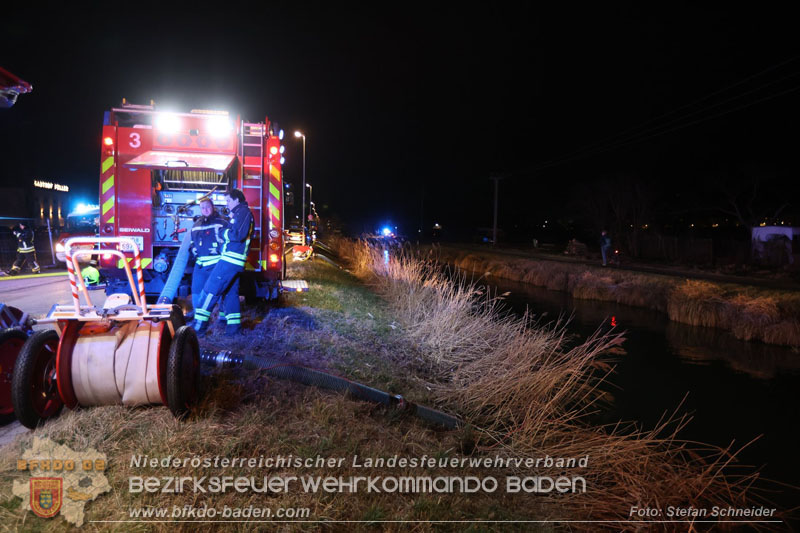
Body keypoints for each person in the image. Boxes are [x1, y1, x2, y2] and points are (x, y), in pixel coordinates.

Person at [191, 189, 253, 337]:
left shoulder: (243, 212)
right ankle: (233, 330)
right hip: (232, 259)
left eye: (228, 200)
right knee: (231, 293)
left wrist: (223, 232)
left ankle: (199, 328)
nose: (227, 204)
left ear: (237, 199)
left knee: (210, 291)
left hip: (231, 259)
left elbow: (236, 234)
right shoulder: (238, 213)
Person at [190, 197, 228, 309]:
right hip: (201, 265)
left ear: (213, 207)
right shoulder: (196, 224)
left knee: (220, 291)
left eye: (208, 207)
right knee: (196, 291)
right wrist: (194, 252)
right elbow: (192, 243)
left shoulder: (223, 222)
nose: (205, 210)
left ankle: (221, 318)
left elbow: (228, 242)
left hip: (217, 265)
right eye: (203, 208)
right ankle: (198, 316)